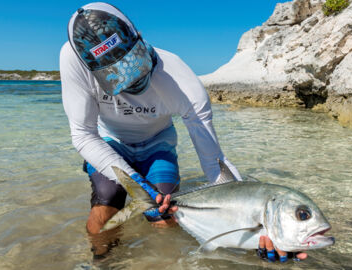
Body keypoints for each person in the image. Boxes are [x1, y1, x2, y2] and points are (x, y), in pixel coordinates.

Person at [60, 2, 306, 262]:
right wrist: (135, 182)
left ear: (139, 38)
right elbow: (84, 133)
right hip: (110, 140)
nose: (132, 82)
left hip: (157, 143)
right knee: (107, 203)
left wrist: (264, 227)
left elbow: (214, 165)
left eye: (136, 65)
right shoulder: (72, 60)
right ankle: (102, 263)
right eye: (115, 77)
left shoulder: (180, 80)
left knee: (165, 218)